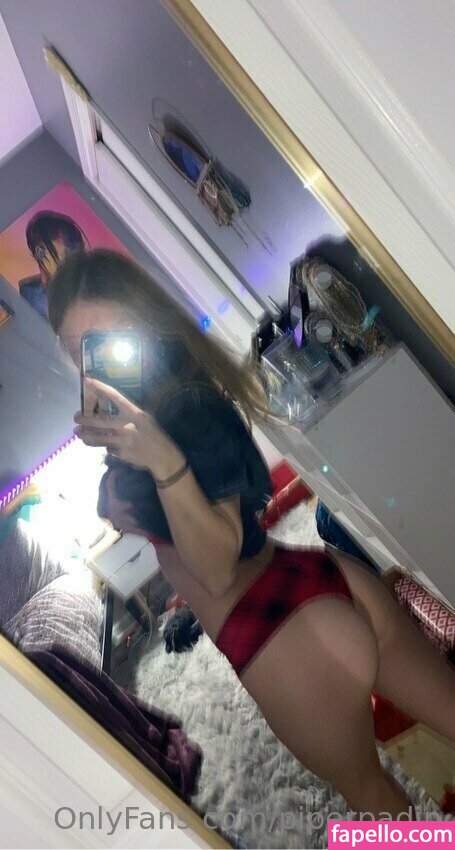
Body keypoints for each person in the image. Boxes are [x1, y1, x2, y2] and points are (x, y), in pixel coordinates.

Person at [48, 249, 455, 821]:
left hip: (279, 640)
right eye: (78, 351)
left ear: (145, 325)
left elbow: (217, 570)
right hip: (319, 581)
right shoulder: (161, 407)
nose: (94, 364)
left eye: (106, 339)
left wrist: (158, 457)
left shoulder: (183, 411)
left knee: (375, 811)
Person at [19, 211, 85, 320]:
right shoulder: (31, 299)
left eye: (74, 251)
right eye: (66, 253)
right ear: (40, 253)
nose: (72, 262)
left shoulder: (81, 291)